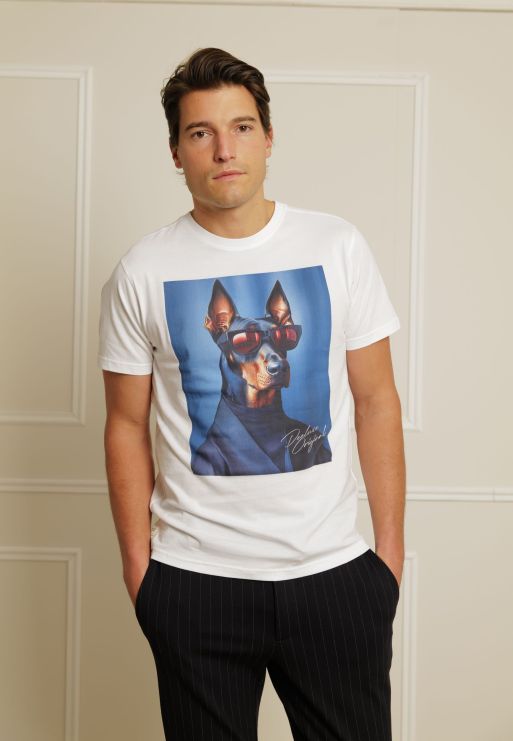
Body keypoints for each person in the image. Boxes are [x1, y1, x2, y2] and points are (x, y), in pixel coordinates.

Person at [98, 46, 406, 741]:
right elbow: (125, 424)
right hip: (194, 578)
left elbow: (377, 400)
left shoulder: (336, 245)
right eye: (199, 132)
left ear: (268, 137)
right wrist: (141, 572)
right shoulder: (142, 270)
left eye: (240, 127)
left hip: (333, 574)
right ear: (175, 152)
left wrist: (386, 559)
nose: (223, 149)